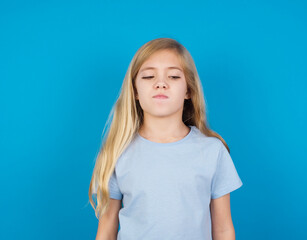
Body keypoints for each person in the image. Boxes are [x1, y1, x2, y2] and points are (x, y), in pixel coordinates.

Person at [88, 37, 243, 240]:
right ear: (135, 91)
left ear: (188, 90)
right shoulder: (117, 151)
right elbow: (107, 229)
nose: (161, 84)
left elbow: (223, 229)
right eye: (149, 76)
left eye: (173, 77)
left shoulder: (212, 151)